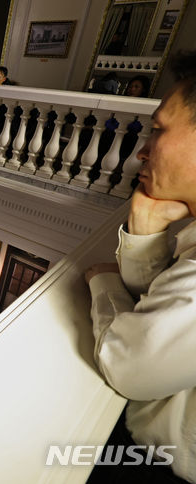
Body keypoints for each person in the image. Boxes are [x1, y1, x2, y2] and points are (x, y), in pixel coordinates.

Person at [84, 51, 196, 484]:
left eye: (159, 130)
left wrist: (103, 283)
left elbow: (128, 364)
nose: (142, 152)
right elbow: (155, 303)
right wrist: (145, 233)